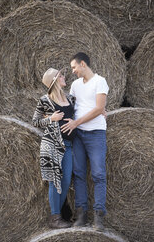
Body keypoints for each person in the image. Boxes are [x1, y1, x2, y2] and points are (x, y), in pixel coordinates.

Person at [61, 52, 109, 231]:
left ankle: (99, 217)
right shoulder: (74, 85)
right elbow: (72, 106)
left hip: (95, 133)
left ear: (83, 64)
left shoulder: (100, 81)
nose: (73, 71)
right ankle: (81, 215)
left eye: (74, 67)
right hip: (78, 135)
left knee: (98, 174)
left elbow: (98, 108)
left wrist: (77, 122)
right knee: (79, 174)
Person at [32, 68, 76, 229]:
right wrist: (51, 118)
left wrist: (102, 111)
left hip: (69, 146)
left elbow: (82, 111)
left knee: (65, 180)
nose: (64, 77)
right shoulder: (45, 100)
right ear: (54, 81)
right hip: (52, 145)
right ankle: (55, 217)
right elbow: (35, 121)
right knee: (54, 181)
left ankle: (57, 214)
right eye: (61, 75)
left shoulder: (71, 98)